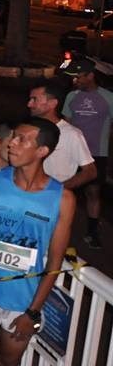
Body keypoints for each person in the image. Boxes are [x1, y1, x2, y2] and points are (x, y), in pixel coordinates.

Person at [0, 118, 75, 366]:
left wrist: (33, 311)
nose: (12, 144)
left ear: (42, 151)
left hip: (24, 299)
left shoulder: (63, 198)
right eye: (13, 136)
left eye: (22, 139)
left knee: (8, 365)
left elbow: (54, 262)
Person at [61, 58, 113, 248]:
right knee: (64, 190)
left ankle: (92, 232)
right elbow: (65, 125)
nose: (75, 81)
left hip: (95, 154)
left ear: (91, 76)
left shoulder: (108, 98)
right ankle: (60, 229)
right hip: (71, 154)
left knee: (93, 193)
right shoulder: (71, 97)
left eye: (79, 77)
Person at [28, 79, 96, 189]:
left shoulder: (71, 134)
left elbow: (90, 171)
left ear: (52, 103)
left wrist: (60, 190)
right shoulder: (28, 129)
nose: (29, 104)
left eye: (34, 99)